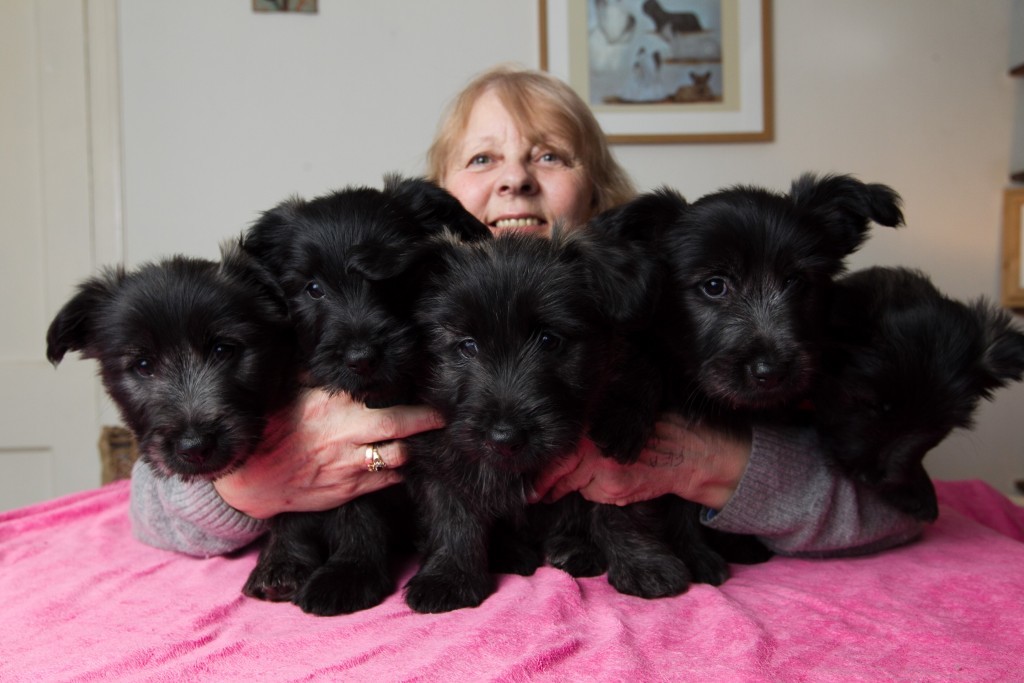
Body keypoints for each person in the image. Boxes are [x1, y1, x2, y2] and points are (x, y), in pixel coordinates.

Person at [131, 64, 924, 559]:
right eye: (483, 158)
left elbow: (891, 503)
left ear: (600, 189)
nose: (515, 179)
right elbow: (152, 498)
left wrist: (717, 461)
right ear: (434, 200)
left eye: (550, 153)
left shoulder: (665, 297)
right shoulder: (359, 304)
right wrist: (245, 486)